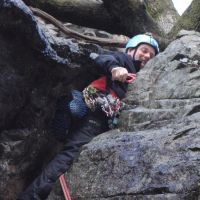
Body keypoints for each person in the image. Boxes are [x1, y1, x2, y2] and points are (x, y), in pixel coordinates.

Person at [18, 34, 159, 200]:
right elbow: (104, 58)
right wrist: (115, 68)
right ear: (131, 50)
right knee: (67, 159)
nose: (147, 56)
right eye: (144, 50)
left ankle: (67, 118)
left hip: (101, 121)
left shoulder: (141, 75)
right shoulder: (123, 60)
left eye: (151, 55)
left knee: (69, 153)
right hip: (95, 117)